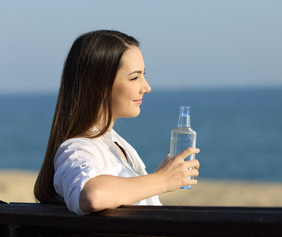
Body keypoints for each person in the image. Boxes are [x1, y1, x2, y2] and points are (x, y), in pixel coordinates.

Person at [34, 30, 200, 215]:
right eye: (134, 77)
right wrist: (162, 180)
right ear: (100, 85)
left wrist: (160, 177)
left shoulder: (116, 144)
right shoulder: (78, 148)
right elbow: (93, 195)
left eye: (143, 75)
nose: (146, 87)